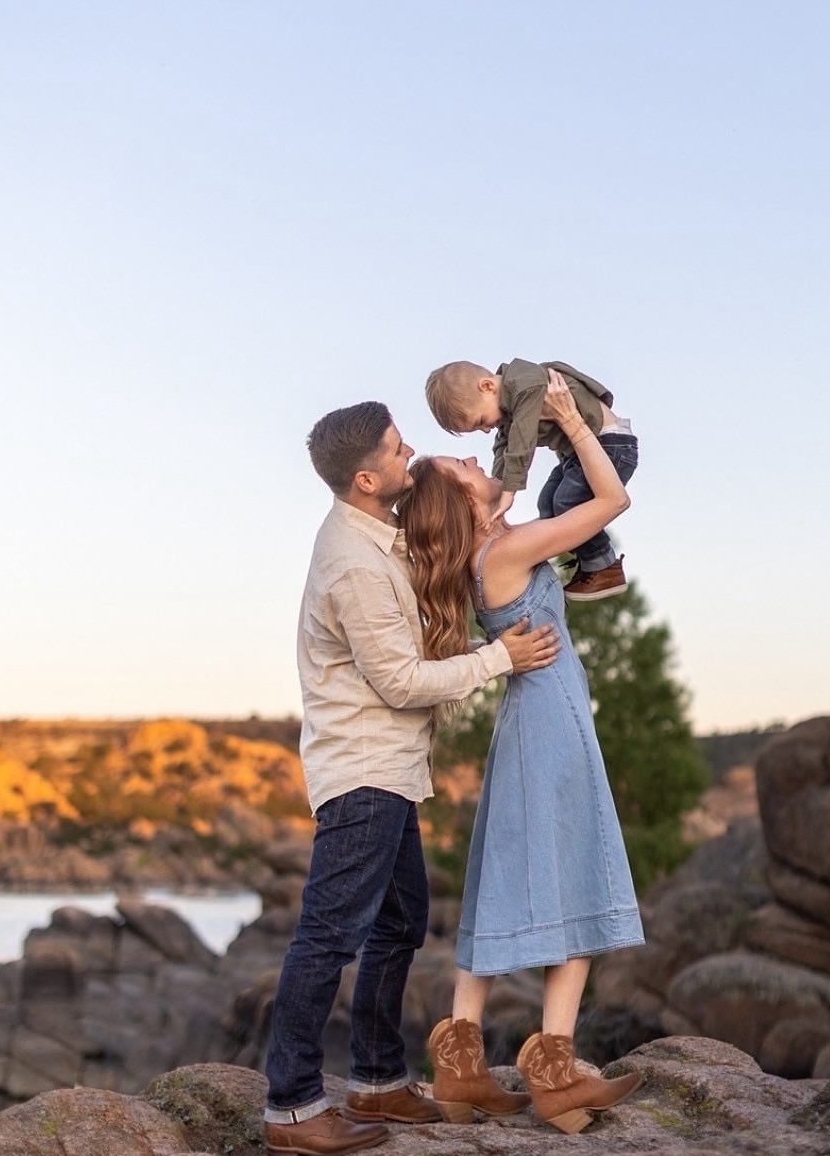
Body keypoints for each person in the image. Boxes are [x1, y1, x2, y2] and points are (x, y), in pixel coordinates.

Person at [262, 402, 561, 1156]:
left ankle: (375, 1079)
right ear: (366, 478)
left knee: (400, 922)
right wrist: (502, 658)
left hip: (388, 768)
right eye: (398, 451)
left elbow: (456, 531)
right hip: (362, 770)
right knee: (328, 935)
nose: (411, 454)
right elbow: (398, 680)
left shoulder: (377, 534)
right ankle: (292, 1106)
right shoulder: (354, 564)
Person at [398, 370, 646, 1134]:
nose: (478, 464)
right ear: (461, 503)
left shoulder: (485, 560)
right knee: (573, 880)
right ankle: (556, 1070)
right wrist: (573, 423)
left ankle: (462, 1063)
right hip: (550, 723)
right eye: (463, 469)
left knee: (504, 875)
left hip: (529, 720)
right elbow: (612, 501)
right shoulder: (503, 554)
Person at [424, 357, 637, 602]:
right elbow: (505, 445)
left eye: (481, 422)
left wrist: (509, 491)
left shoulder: (524, 384)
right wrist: (498, 485)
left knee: (566, 502)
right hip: (577, 454)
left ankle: (603, 564)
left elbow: (522, 441)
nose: (485, 430)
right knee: (548, 503)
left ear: (487, 386)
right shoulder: (507, 402)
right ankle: (590, 559)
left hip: (610, 444)